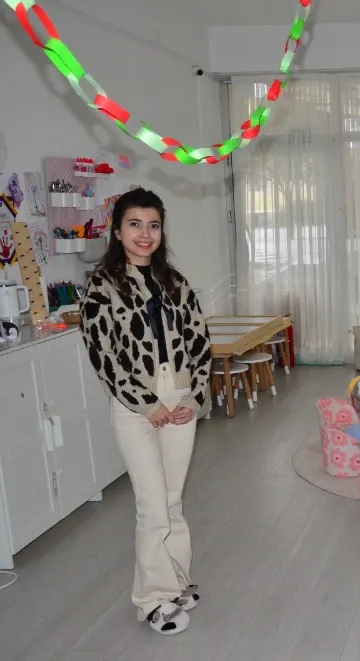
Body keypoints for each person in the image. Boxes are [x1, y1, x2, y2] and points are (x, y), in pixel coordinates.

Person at [80, 187, 212, 635]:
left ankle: (175, 581)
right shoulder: (101, 286)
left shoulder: (174, 282)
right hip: (135, 406)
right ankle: (153, 600)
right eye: (134, 224)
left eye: (153, 225)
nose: (145, 234)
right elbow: (102, 356)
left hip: (179, 398)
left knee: (172, 500)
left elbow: (199, 343)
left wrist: (193, 396)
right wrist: (146, 402)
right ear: (117, 231)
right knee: (153, 505)